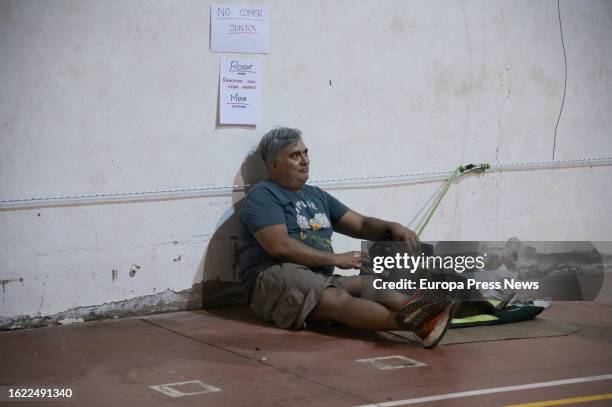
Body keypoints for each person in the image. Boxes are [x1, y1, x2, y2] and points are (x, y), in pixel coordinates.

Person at [239, 127, 458, 348]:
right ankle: (417, 323)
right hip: (275, 276)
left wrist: (391, 227)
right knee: (338, 300)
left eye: (305, 153)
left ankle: (427, 312)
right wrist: (337, 259)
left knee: (372, 284)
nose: (305, 161)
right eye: (295, 156)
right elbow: (280, 246)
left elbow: (360, 223)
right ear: (273, 165)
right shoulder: (263, 195)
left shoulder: (316, 195)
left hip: (316, 277)